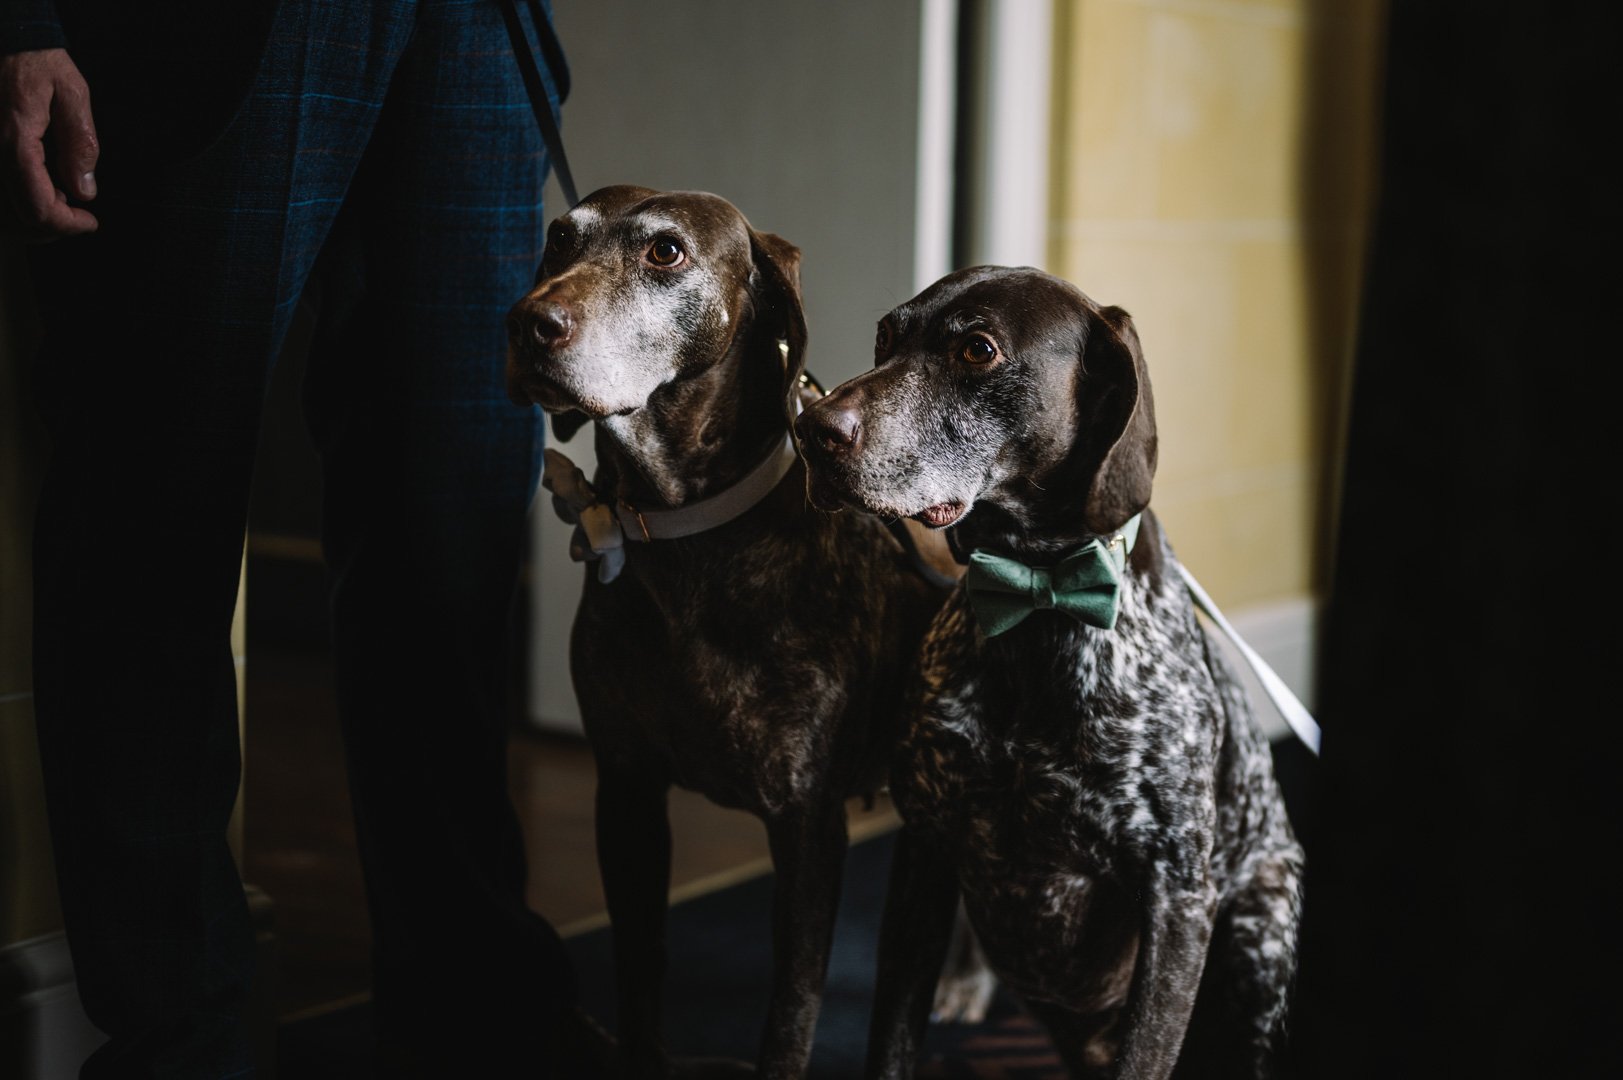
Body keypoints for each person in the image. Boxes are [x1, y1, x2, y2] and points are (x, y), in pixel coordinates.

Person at [0, 2, 599, 1075]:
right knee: (150, 530)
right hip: (211, 31)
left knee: (454, 536)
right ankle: (182, 1047)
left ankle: (475, 1018)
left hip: (473, 29)